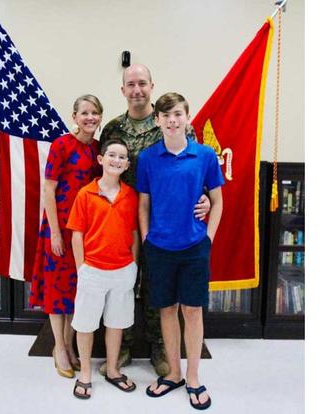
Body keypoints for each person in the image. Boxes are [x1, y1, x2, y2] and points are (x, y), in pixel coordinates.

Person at [99, 64, 211, 377]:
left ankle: (161, 345)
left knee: (156, 285)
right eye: (130, 84)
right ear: (123, 90)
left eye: (142, 83)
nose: (137, 90)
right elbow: (105, 171)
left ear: (152, 86)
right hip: (121, 215)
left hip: (163, 220)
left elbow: (192, 166)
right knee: (122, 282)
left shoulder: (172, 121)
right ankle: (121, 342)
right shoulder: (111, 130)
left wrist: (203, 198)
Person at [138, 93, 223, 410]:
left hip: (194, 248)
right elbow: (143, 203)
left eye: (177, 114)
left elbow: (217, 201)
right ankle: (173, 372)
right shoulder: (148, 158)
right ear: (157, 120)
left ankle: (194, 376)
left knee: (192, 311)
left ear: (187, 117)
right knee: (167, 310)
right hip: (159, 247)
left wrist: (208, 239)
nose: (172, 120)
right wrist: (147, 237)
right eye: (165, 115)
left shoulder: (205, 156)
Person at [29, 94, 103, 379]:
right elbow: (48, 189)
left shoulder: (97, 150)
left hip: (83, 232)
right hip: (58, 228)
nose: (89, 117)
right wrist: (55, 234)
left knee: (76, 291)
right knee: (57, 290)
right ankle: (58, 347)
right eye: (84, 112)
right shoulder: (62, 145)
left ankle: (71, 346)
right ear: (75, 117)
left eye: (94, 113)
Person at [66, 138, 139, 399]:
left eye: (122, 157)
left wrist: (134, 265)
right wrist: (81, 268)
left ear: (127, 164)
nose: (116, 160)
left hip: (122, 270)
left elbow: (133, 232)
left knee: (116, 323)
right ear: (101, 159)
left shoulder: (131, 195)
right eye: (112, 155)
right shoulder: (86, 194)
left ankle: (112, 368)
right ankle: (85, 372)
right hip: (93, 270)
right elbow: (77, 234)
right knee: (85, 324)